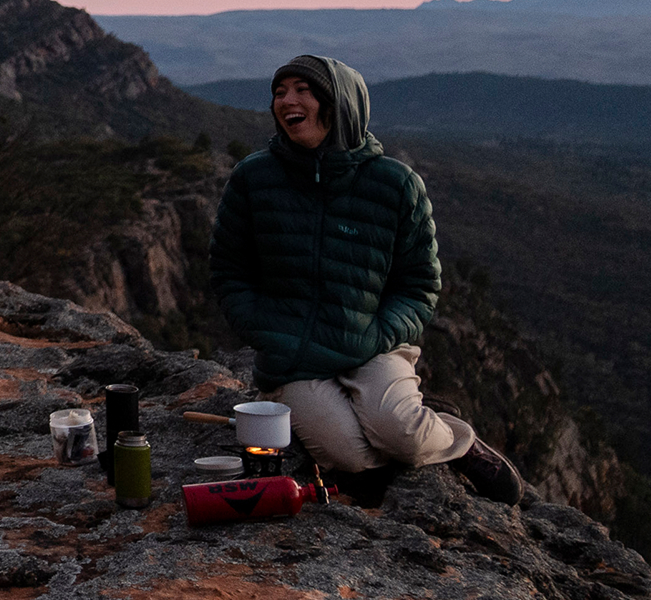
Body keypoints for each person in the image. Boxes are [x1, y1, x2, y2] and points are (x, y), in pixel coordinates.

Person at [208, 55, 525, 504]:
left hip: (371, 341)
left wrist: (378, 332)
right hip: (294, 353)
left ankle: (459, 441)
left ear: (341, 104)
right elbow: (227, 270)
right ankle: (403, 419)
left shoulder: (395, 185)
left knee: (403, 436)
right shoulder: (253, 178)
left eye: (303, 90)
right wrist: (266, 331)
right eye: (280, 91)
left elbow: (419, 287)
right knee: (349, 456)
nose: (287, 100)